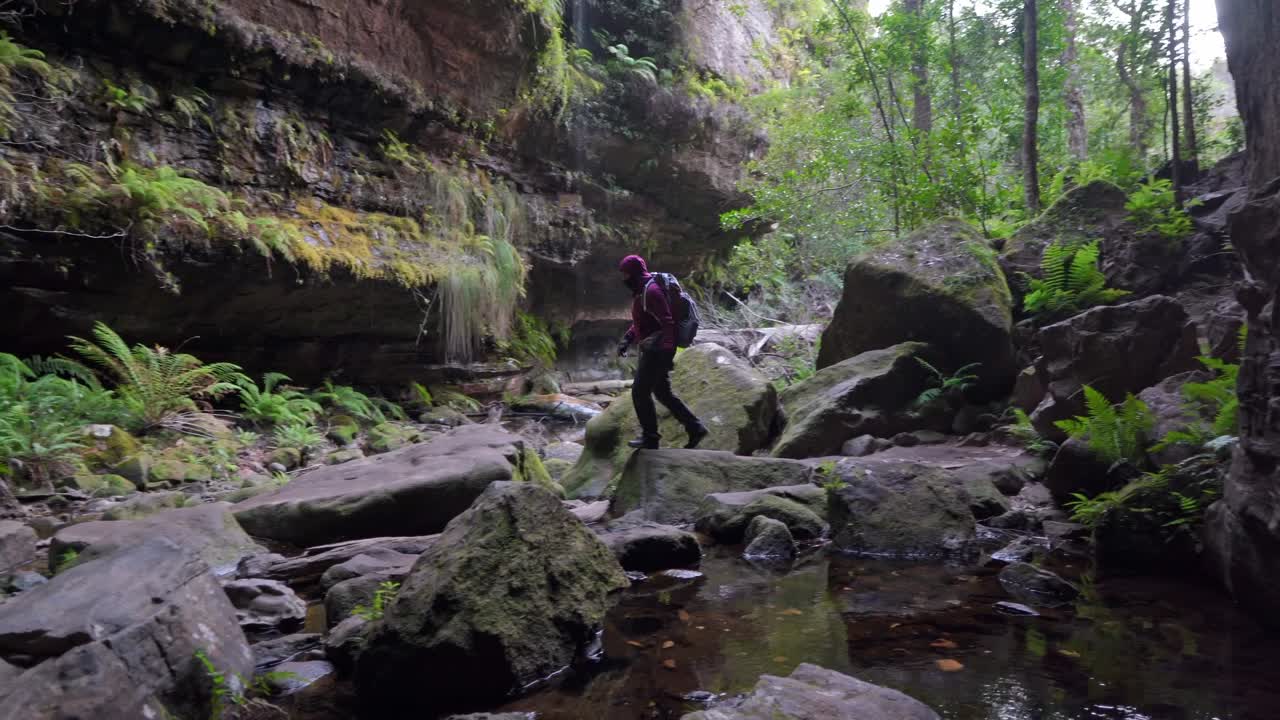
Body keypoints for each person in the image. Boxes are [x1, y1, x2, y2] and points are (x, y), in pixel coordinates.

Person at [616, 254, 708, 450]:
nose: (623, 278)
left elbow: (667, 323)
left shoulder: (652, 291)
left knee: (639, 392)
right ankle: (695, 427)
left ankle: (650, 438)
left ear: (633, 273)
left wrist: (667, 351)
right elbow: (643, 322)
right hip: (652, 347)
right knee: (663, 393)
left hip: (657, 350)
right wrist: (627, 339)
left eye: (625, 273)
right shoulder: (642, 290)